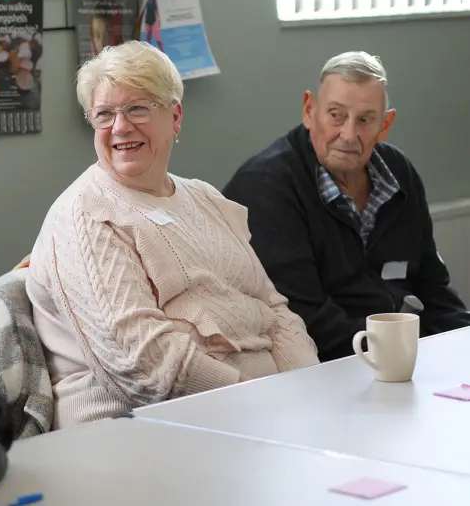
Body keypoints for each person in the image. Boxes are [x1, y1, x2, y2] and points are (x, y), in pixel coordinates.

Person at [26, 41, 319, 430]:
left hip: (257, 414)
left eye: (137, 108)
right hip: (133, 434)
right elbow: (141, 363)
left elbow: (275, 311)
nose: (120, 127)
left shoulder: (205, 199)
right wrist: (259, 402)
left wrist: (309, 391)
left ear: (175, 115)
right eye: (104, 115)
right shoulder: (85, 214)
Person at [222, 51, 470, 363]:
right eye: (336, 115)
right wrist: (397, 356)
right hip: (322, 366)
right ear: (310, 110)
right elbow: (304, 318)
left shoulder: (398, 172)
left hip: (401, 357)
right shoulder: (267, 185)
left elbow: (433, 287)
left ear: (385, 124)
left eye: (365, 120)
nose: (349, 135)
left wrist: (463, 342)